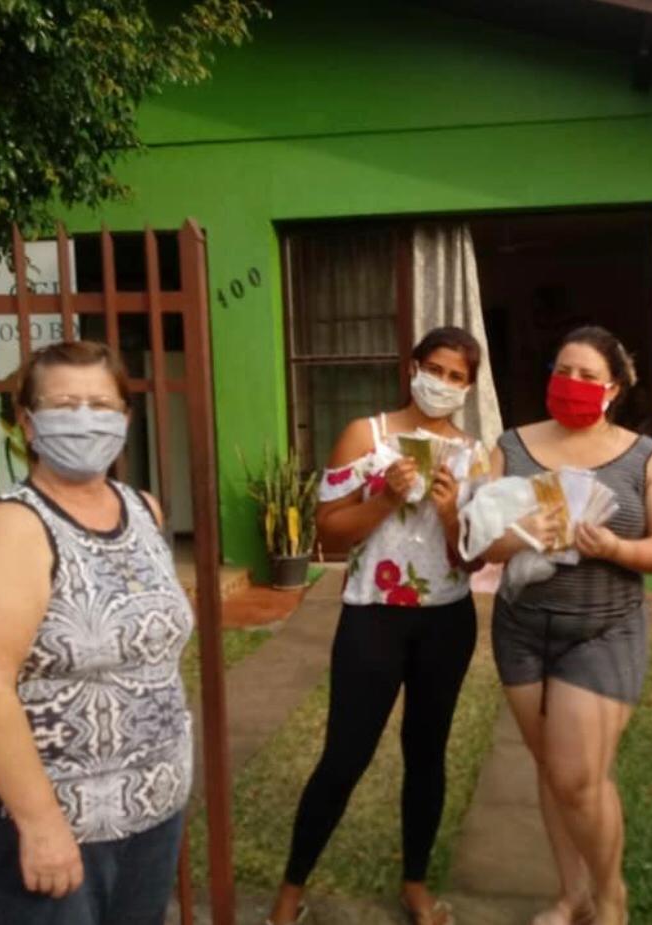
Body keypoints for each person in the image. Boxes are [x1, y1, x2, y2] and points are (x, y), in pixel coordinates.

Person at [0, 340, 192, 925]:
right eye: (64, 404)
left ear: (125, 420)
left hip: (149, 815)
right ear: (29, 423)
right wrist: (42, 825)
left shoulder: (144, 511)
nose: (85, 419)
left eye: (101, 404)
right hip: (50, 832)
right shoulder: (13, 528)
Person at [266, 326, 486, 925]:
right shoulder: (368, 435)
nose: (441, 383)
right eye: (434, 369)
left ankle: (415, 883)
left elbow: (475, 557)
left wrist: (447, 513)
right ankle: (291, 889)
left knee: (427, 754)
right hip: (373, 617)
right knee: (344, 755)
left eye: (456, 376)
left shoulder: (474, 455)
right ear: (413, 366)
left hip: (447, 621)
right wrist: (385, 499)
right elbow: (328, 528)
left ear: (468, 387)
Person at [480, 326, 652, 925]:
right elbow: (479, 544)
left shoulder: (642, 455)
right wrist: (521, 534)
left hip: (604, 631)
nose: (570, 384)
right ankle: (570, 895)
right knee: (551, 767)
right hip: (521, 629)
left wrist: (616, 551)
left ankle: (611, 898)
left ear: (614, 388)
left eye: (585, 376)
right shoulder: (512, 445)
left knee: (579, 775)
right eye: (562, 370)